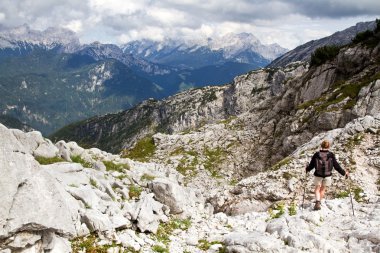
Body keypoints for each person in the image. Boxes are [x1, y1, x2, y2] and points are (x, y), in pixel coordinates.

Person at [305, 140, 349, 210]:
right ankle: (319, 203)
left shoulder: (316, 154)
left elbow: (312, 165)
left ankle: (317, 202)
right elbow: (336, 166)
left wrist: (307, 169)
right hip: (327, 175)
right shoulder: (331, 155)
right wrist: (344, 173)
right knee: (322, 189)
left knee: (317, 188)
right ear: (328, 146)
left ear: (321, 146)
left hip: (318, 174)